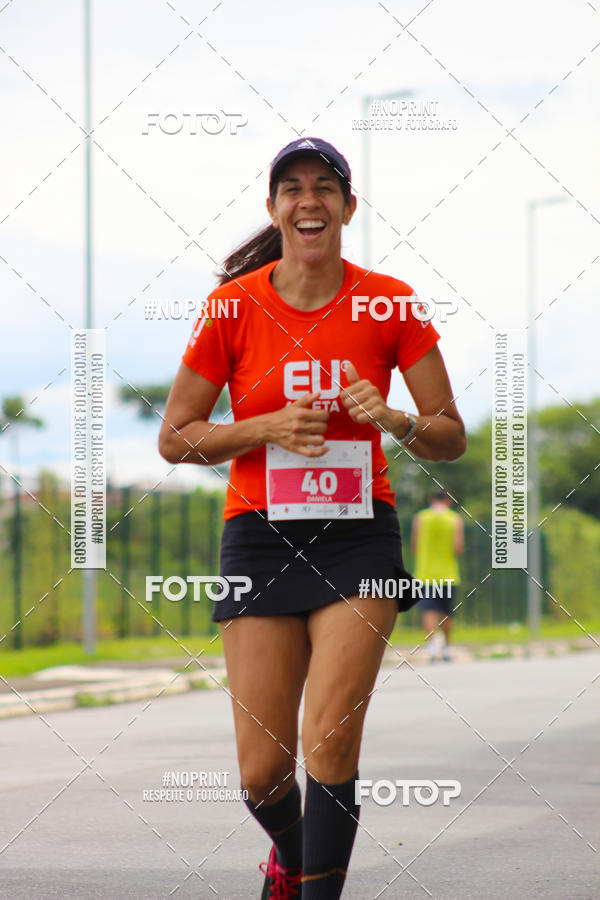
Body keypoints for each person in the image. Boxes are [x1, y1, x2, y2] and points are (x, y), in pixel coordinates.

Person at [158, 137, 466, 899]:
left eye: (325, 187)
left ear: (347, 208)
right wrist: (262, 428)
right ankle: (291, 865)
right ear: (274, 209)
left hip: (358, 533)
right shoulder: (235, 306)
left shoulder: (387, 302)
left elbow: (450, 434)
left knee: (329, 742)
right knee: (263, 772)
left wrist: (391, 417)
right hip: (260, 536)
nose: (309, 200)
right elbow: (176, 436)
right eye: (292, 188)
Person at [411, 488, 464, 662]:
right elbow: (458, 548)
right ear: (448, 500)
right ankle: (447, 647)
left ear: (431, 499)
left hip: (425, 573)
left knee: (428, 611)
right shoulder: (454, 519)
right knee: (446, 612)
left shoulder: (421, 518)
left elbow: (414, 546)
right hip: (448, 573)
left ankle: (433, 648)